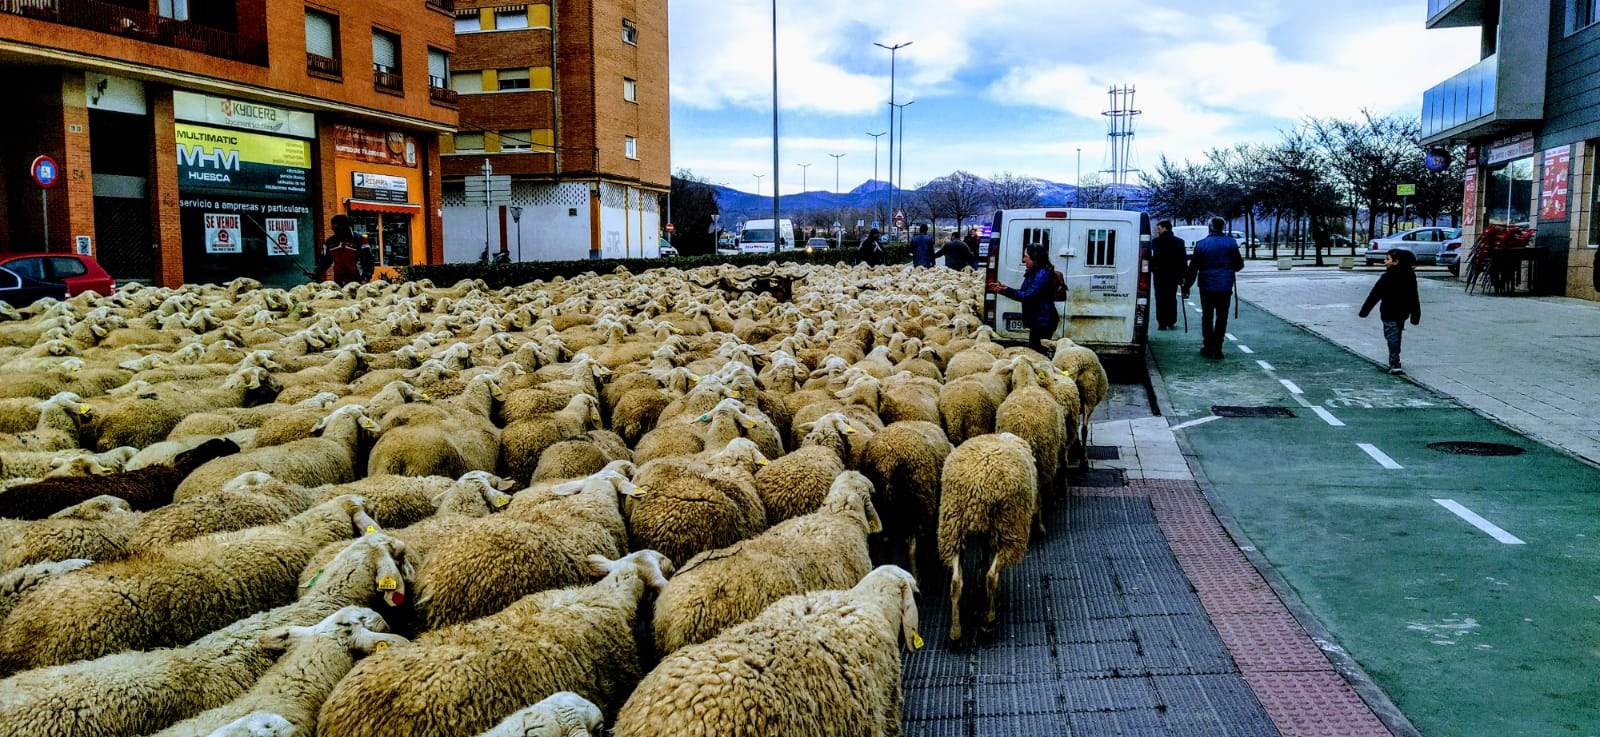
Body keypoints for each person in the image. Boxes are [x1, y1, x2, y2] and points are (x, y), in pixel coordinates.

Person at [1183, 217, 1244, 359]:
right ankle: (1218, 347)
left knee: (1207, 316)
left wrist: (1186, 287)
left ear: (1210, 227)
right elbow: (1239, 265)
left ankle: (1208, 346)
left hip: (1206, 286)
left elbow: (1193, 268)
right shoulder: (1231, 243)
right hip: (1225, 285)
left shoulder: (1201, 244)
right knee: (1222, 317)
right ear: (1223, 227)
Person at [986, 243, 1063, 354]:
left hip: (1043, 320)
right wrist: (1004, 288)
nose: (1023, 259)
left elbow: (1028, 296)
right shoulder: (1035, 272)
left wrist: (1005, 290)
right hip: (1038, 319)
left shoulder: (1042, 273)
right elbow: (1025, 293)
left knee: (1038, 353)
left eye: (1026, 256)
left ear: (1034, 257)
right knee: (1035, 351)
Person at [1359, 249, 1421, 375]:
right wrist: (1415, 314)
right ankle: (1394, 358)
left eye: (1387, 259)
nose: (1384, 261)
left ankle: (1395, 362)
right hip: (1403, 312)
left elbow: (1374, 295)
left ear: (1396, 262)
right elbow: (1414, 296)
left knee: (1392, 336)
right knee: (1396, 335)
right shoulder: (1410, 276)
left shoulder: (1387, 277)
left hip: (1388, 312)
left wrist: (1364, 311)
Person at [311, 215, 373, 285]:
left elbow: (368, 262)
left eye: (337, 229)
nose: (335, 232)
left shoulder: (360, 240)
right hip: (338, 281)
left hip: (357, 281)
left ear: (345, 227)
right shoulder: (330, 242)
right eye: (333, 229)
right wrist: (317, 272)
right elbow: (325, 260)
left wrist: (365, 278)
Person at [1150, 220, 1187, 330]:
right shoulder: (1179, 242)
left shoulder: (1156, 241)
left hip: (1160, 274)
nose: (1158, 230)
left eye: (1159, 228)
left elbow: (1154, 257)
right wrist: (1182, 275)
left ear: (1165, 228)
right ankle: (1171, 320)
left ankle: (1162, 322)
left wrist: (1152, 268)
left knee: (1160, 297)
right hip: (1174, 274)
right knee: (1171, 297)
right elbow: (1183, 260)